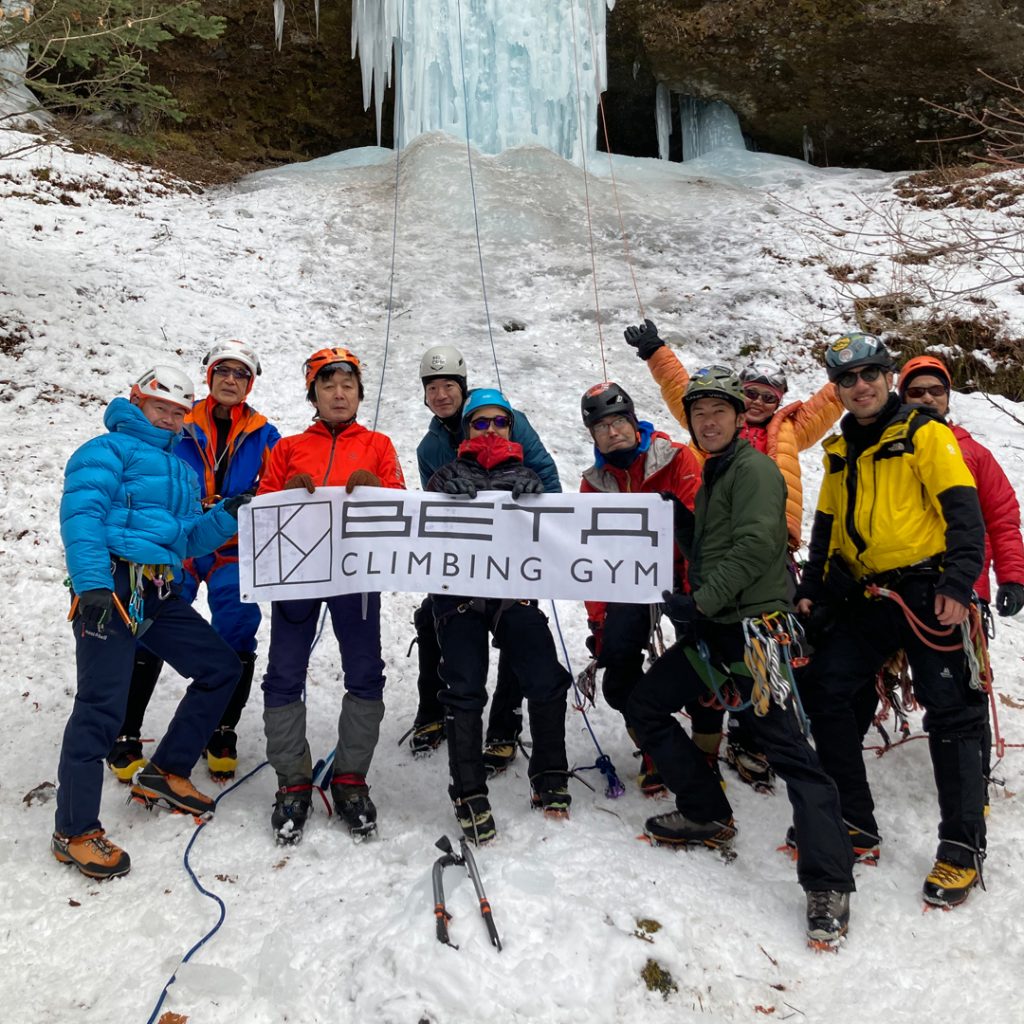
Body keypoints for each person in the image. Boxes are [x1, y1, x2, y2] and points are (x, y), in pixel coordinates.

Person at [626, 365, 855, 949]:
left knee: (791, 754)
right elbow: (723, 539)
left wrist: (698, 600)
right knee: (646, 703)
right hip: (718, 629)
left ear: (736, 417)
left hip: (752, 634)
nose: (707, 421)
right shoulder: (717, 471)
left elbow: (757, 545)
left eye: (718, 412)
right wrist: (680, 531)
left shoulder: (752, 469)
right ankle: (705, 810)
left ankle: (828, 882)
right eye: (698, 413)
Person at [794, 332, 987, 908]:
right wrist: (812, 593)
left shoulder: (925, 435)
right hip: (869, 592)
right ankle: (853, 821)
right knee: (826, 688)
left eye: (869, 375)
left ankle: (961, 847)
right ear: (838, 390)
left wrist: (957, 583)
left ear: (887, 377)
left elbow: (964, 513)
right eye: (847, 380)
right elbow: (826, 531)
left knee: (950, 711)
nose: (860, 387)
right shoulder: (839, 450)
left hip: (928, 588)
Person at [624, 318, 843, 790]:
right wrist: (655, 352)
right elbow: (685, 391)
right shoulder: (712, 431)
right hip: (713, 547)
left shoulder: (789, 430)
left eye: (771, 396)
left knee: (767, 651)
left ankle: (756, 734)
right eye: (755, 394)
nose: (764, 402)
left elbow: (831, 404)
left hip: (770, 552)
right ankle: (713, 738)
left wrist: (843, 373)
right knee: (710, 648)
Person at [54, 365, 249, 879]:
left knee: (220, 669)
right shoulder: (103, 451)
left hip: (157, 588)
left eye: (178, 412)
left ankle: (165, 772)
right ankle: (73, 830)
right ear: (137, 402)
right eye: (159, 407)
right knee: (101, 705)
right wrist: (92, 583)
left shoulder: (181, 471)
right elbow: (82, 515)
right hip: (112, 587)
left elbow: (184, 539)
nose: (168, 418)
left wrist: (227, 513)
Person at [106, 339, 280, 783]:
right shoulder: (177, 418)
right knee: (151, 621)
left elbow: (279, 481)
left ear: (250, 384)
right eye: (223, 371)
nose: (230, 380)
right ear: (209, 376)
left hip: (229, 544)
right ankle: (125, 732)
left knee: (238, 624)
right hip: (177, 542)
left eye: (241, 374)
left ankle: (220, 729)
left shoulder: (263, 433)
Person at [856, 354, 1024, 797]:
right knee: (871, 670)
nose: (928, 398)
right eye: (917, 392)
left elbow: (1002, 517)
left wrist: (1011, 576)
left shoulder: (973, 453)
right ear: (902, 395)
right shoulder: (888, 447)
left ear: (949, 397)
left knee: (965, 686)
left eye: (936, 390)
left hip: (962, 589)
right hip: (896, 590)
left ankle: (973, 777)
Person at [258, 346, 405, 844]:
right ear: (313, 395)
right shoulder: (287, 448)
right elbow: (261, 510)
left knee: (365, 671)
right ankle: (291, 781)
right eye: (328, 386)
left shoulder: (380, 445)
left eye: (348, 387)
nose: (339, 394)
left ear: (360, 394)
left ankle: (350, 778)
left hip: (356, 576)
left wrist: (379, 492)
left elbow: (401, 506)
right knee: (283, 673)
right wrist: (283, 495)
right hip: (297, 575)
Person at [427, 388, 572, 845]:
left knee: (546, 678)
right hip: (462, 599)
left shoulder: (528, 475)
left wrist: (540, 498)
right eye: (480, 423)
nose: (491, 431)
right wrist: (438, 493)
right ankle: (468, 792)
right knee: (465, 687)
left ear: (512, 428)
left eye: (500, 423)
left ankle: (549, 771)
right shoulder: (445, 475)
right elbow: (421, 537)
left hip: (513, 596)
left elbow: (556, 536)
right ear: (466, 430)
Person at [409, 344, 562, 776]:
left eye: (449, 386)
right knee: (433, 619)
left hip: (513, 549)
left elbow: (547, 477)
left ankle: (504, 725)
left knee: (517, 621)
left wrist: (535, 503)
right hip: (465, 555)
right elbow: (434, 509)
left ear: (463, 386)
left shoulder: (501, 418)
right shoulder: (430, 446)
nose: (441, 395)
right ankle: (432, 708)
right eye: (432, 388)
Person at [577, 380, 702, 794]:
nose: (612, 432)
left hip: (685, 578)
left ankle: (707, 754)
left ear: (634, 420)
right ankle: (657, 750)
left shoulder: (676, 457)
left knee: (706, 670)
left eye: (618, 422)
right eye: (601, 427)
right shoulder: (594, 481)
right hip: (630, 583)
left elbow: (700, 532)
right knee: (617, 674)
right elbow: (590, 557)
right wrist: (599, 622)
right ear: (592, 434)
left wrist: (696, 595)